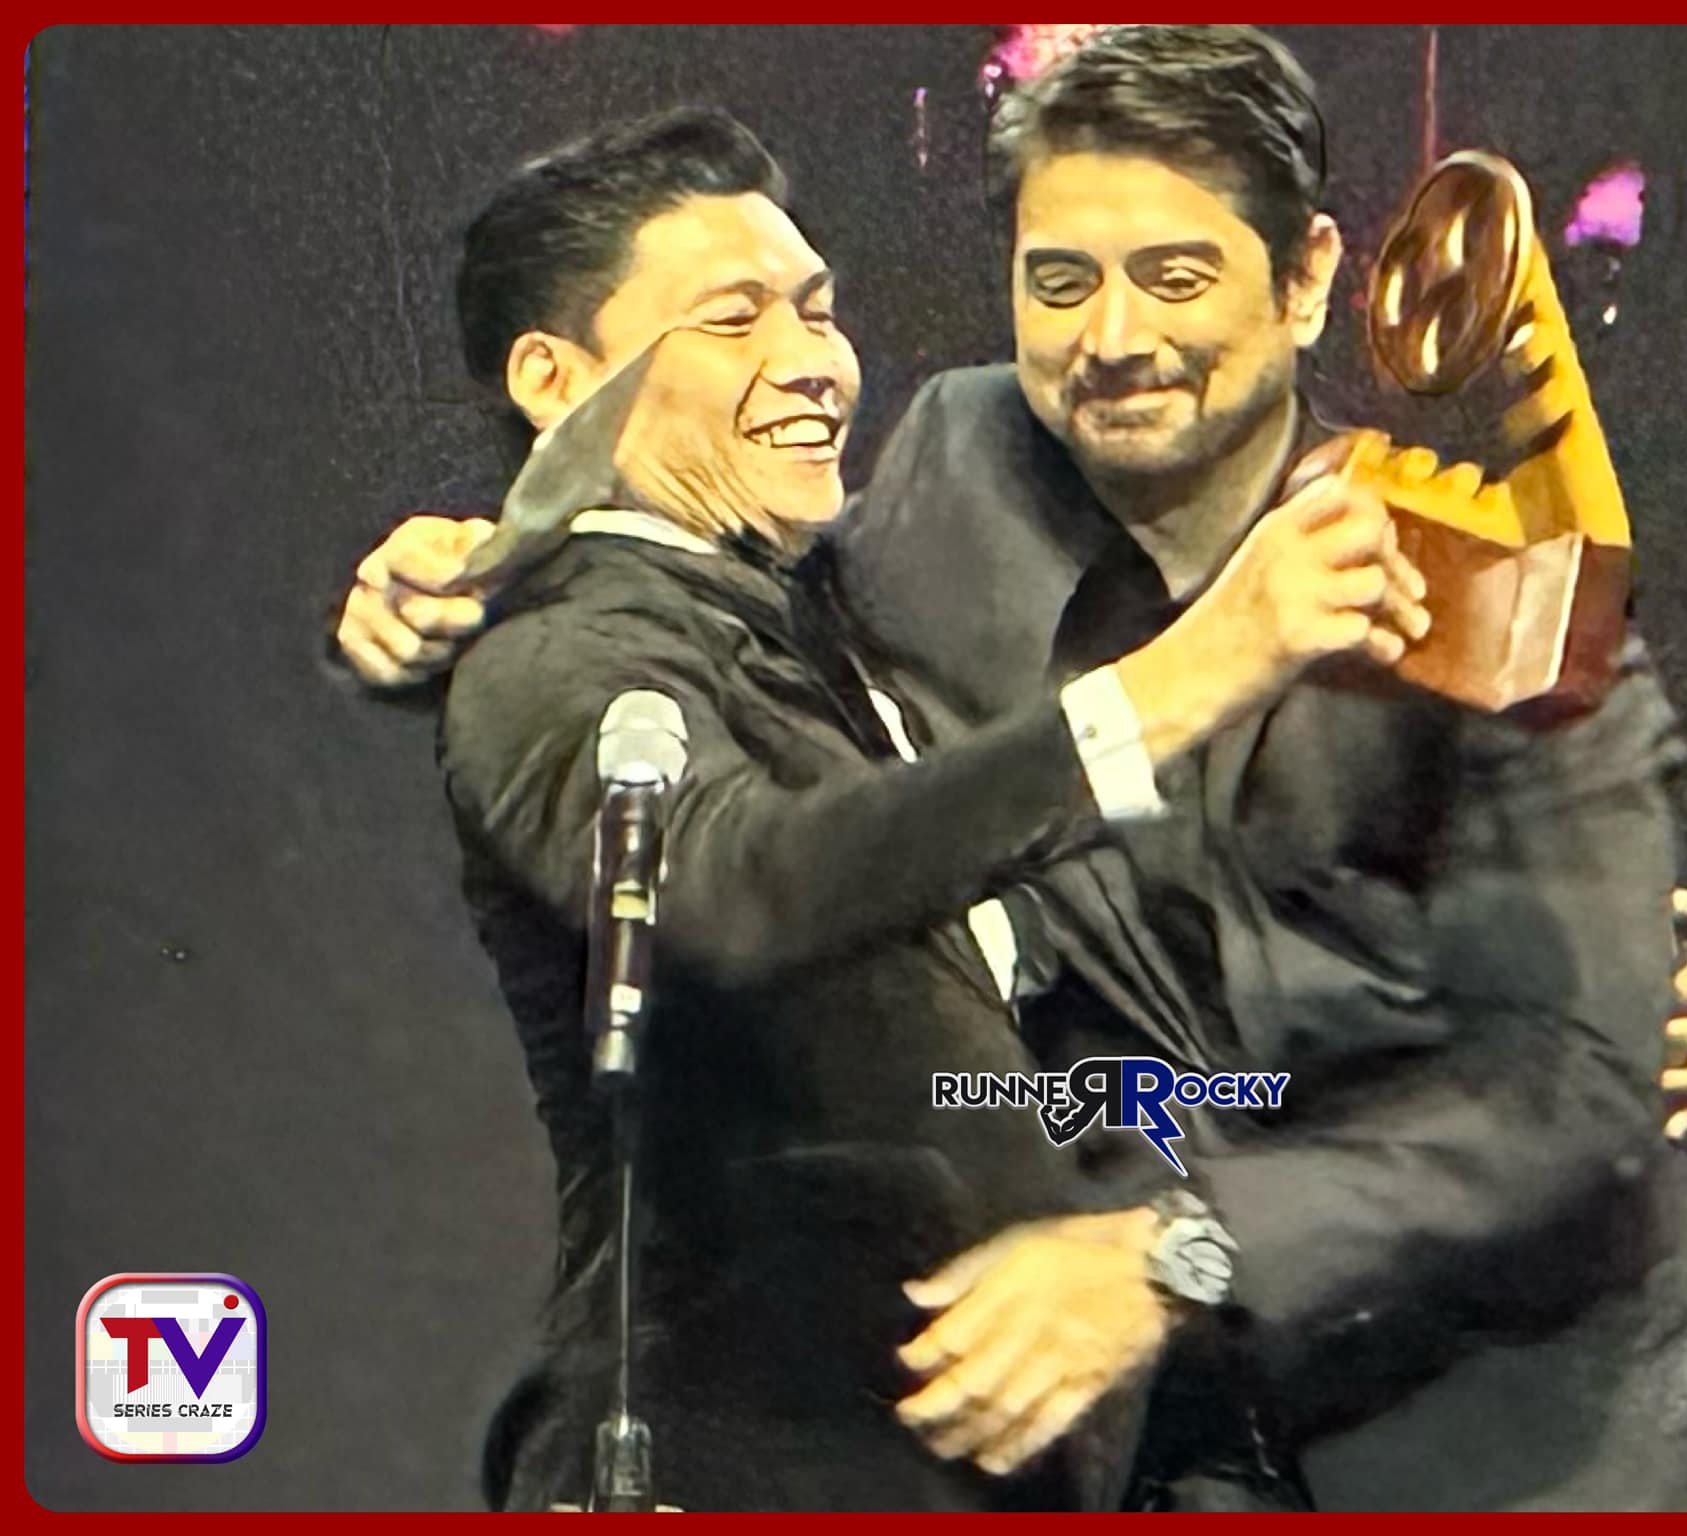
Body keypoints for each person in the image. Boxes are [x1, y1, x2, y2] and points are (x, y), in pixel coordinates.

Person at [336, 27, 1687, 1510]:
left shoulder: (1508, 599)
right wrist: (487, 561)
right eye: (1061, 282)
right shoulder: (950, 473)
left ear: (1309, 279)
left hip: (1501, 1439)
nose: (1114, 338)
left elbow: (1570, 1089)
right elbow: (719, 690)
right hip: (1147, 1441)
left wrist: (1177, 1249)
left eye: (1178, 277)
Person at [392, 103, 1435, 1511]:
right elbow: (734, 888)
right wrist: (1176, 681)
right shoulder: (558, 652)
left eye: (817, 310)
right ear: (553, 377)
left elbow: (1073, 1054)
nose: (811, 360)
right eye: (734, 318)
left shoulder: (847, 643)